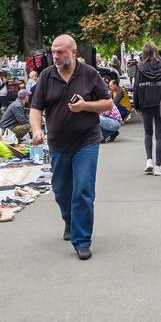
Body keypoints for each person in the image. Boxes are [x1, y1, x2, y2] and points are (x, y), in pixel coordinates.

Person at [30, 34, 112, 260]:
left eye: (60, 52)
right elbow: (36, 108)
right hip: (58, 144)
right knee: (61, 191)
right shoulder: (46, 76)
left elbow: (108, 103)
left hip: (87, 141)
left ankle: (82, 239)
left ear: (73, 52)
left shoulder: (89, 74)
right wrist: (37, 129)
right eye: (53, 52)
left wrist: (86, 106)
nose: (55, 56)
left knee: (83, 190)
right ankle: (69, 220)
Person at [131, 41, 161, 176]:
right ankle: (158, 166)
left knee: (148, 133)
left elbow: (136, 88)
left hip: (145, 104)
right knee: (159, 136)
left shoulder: (140, 69)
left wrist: (136, 105)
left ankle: (149, 161)